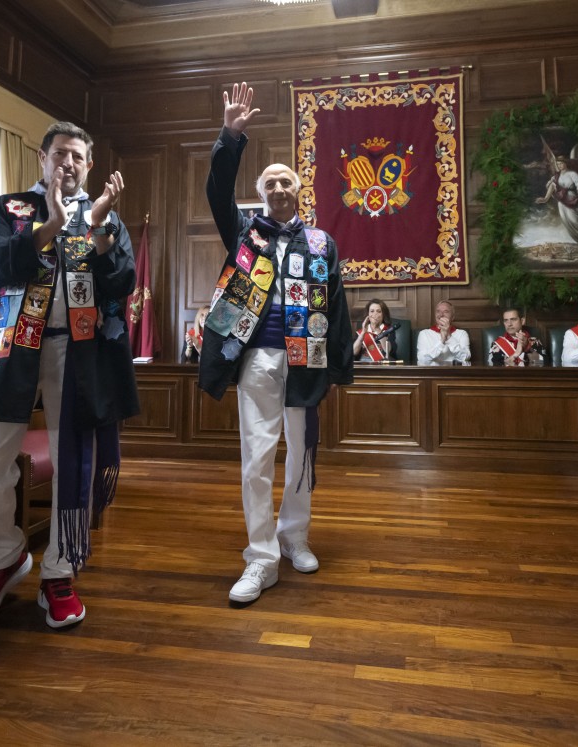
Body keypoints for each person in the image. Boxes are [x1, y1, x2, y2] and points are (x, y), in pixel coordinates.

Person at [0, 121, 138, 629]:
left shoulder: (106, 218)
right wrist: (51, 226)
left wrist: (98, 228)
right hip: (10, 347)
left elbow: (122, 282)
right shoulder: (8, 208)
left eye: (78, 156)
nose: (69, 163)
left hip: (77, 352)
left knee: (73, 460)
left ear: (89, 165)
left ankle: (59, 571)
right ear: (42, 157)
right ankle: (1, 558)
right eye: (60, 154)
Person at [199, 82, 353, 604]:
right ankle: (261, 557)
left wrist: (339, 365)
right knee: (256, 457)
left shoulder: (321, 243)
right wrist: (230, 136)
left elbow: (336, 305)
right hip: (257, 359)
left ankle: (295, 537)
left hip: (305, 359)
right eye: (271, 183)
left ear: (299, 191)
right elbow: (218, 191)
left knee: (302, 454)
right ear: (262, 193)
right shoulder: (245, 233)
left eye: (287, 181)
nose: (279, 188)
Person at [417, 300, 471, 365]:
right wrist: (441, 341)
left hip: (454, 373)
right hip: (431, 373)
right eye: (438, 311)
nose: (441, 315)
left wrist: (448, 336)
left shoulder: (462, 334)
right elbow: (422, 359)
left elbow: (465, 358)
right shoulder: (424, 334)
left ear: (452, 317)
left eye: (446, 312)